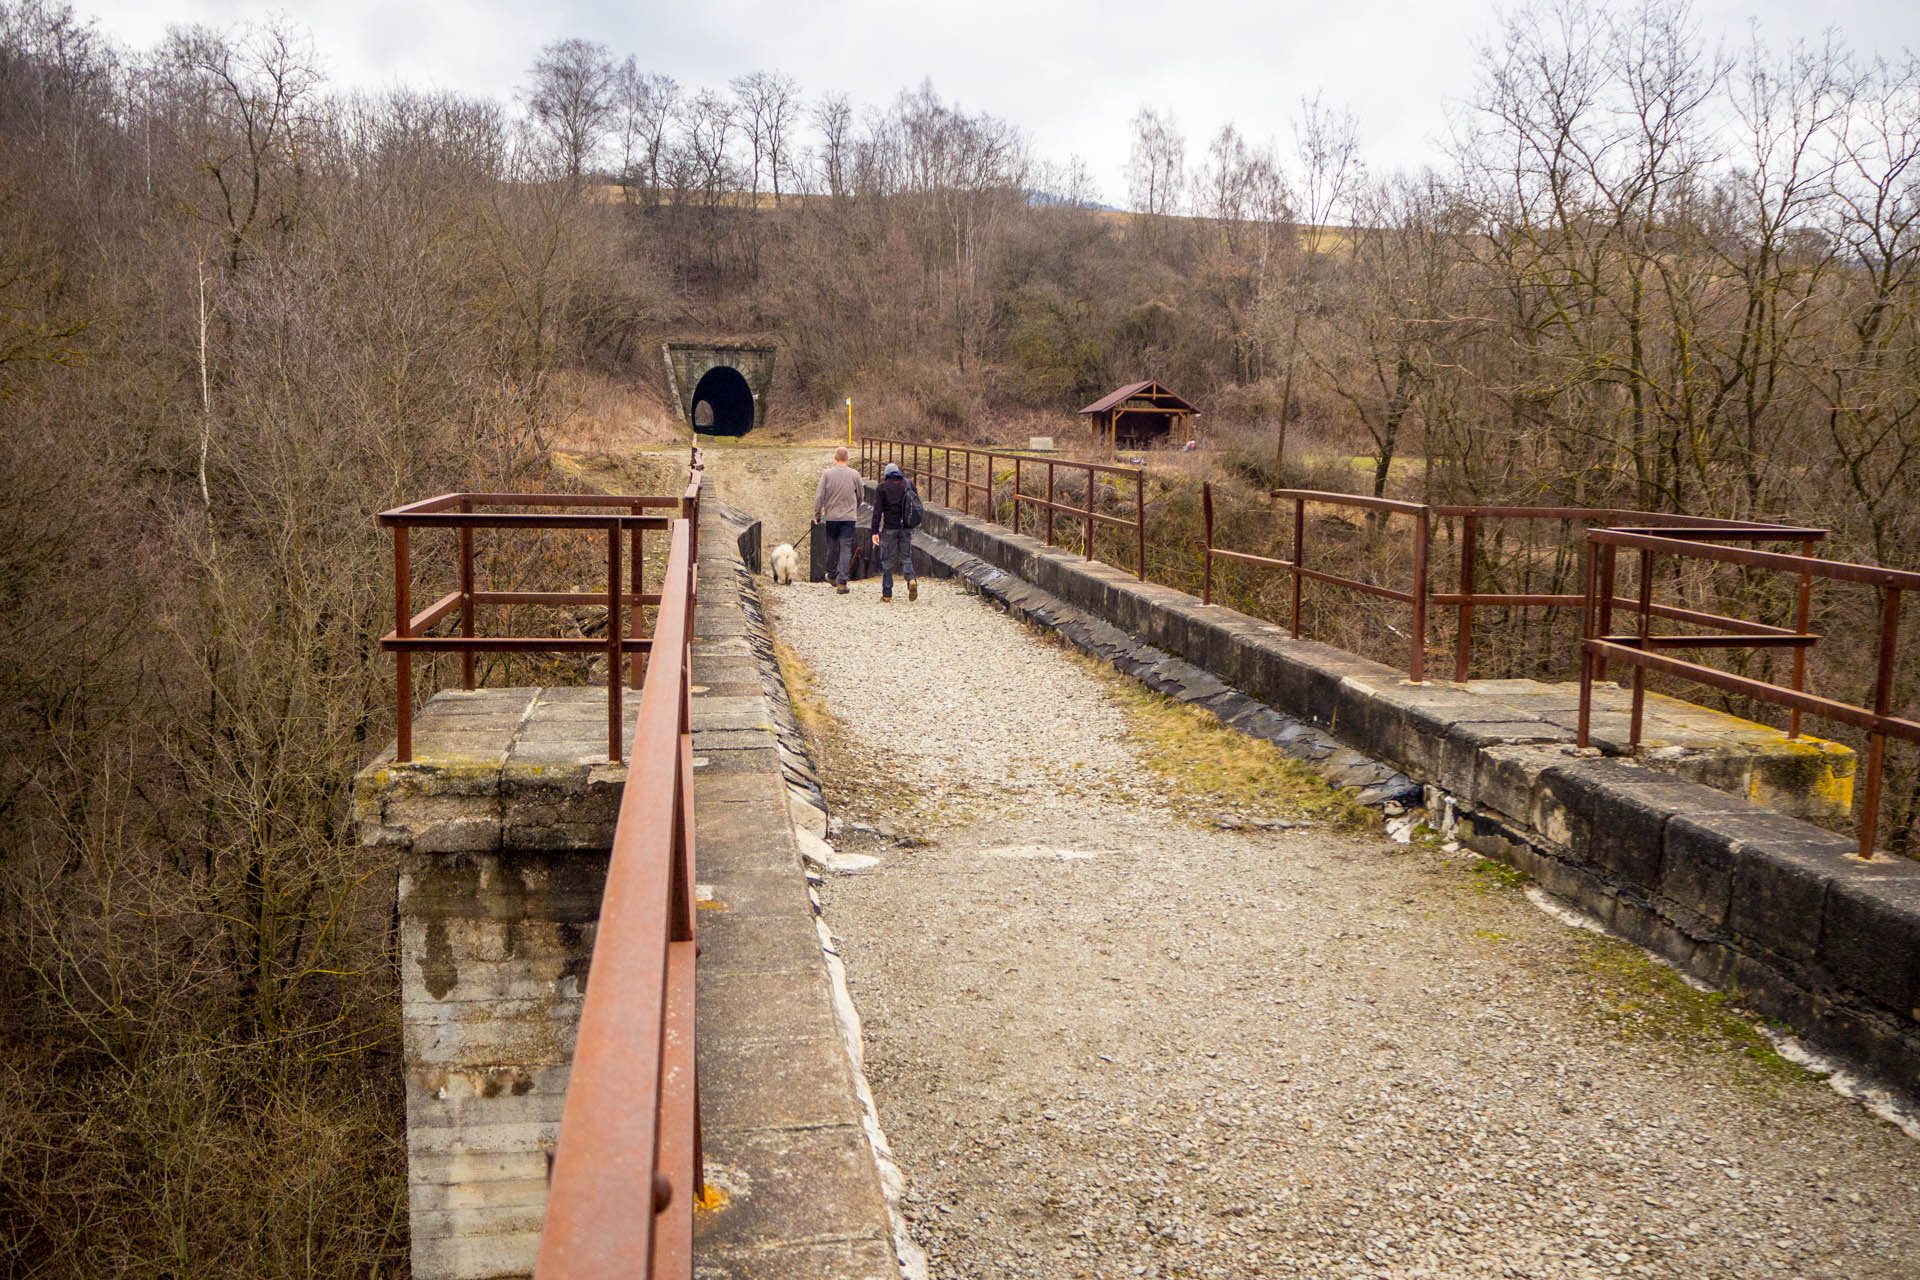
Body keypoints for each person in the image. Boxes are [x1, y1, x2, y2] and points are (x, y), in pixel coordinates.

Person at [812, 445, 861, 593]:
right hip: (848, 518)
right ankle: (842, 582)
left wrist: (818, 515)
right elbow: (860, 495)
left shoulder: (827, 474)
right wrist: (854, 508)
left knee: (832, 547)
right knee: (846, 548)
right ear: (847, 459)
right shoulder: (855, 474)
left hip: (832, 517)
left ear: (835, 458)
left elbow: (819, 496)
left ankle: (831, 574)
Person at [870, 462, 919, 603]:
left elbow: (877, 511)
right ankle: (911, 580)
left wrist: (875, 531)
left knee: (887, 561)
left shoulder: (882, 487)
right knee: (906, 558)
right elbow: (915, 505)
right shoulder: (908, 484)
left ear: (886, 474)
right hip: (906, 527)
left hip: (889, 528)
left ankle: (887, 594)